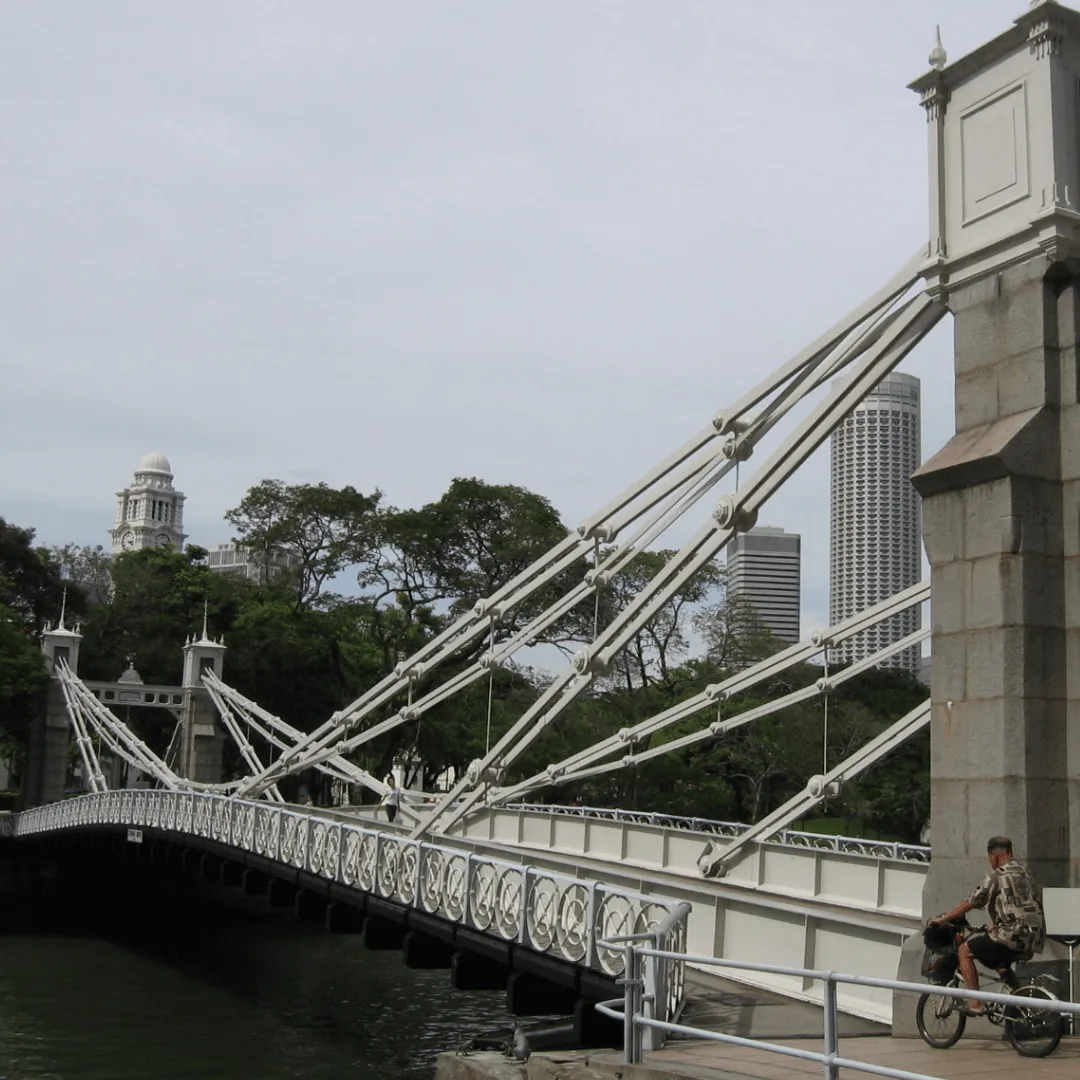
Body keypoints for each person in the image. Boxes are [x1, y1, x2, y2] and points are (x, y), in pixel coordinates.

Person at [928, 836, 1045, 1015]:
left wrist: (944, 918)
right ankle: (1022, 1003)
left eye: (989, 857)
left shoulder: (997, 875)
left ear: (994, 856)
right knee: (999, 959)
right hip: (1035, 936)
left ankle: (976, 1003)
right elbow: (1022, 904)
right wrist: (998, 924)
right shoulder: (1026, 872)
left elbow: (971, 901)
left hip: (1012, 934)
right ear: (1010, 853)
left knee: (964, 951)